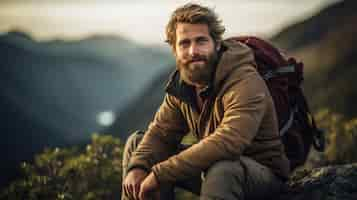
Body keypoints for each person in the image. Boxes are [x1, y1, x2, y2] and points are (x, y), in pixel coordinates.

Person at [122, 3, 290, 200]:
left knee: (224, 170)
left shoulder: (245, 81)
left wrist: (160, 173)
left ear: (217, 44)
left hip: (259, 175)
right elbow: (160, 133)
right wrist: (139, 166)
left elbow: (228, 142)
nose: (193, 51)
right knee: (138, 144)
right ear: (174, 50)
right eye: (184, 43)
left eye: (201, 41)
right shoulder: (183, 86)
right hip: (212, 170)